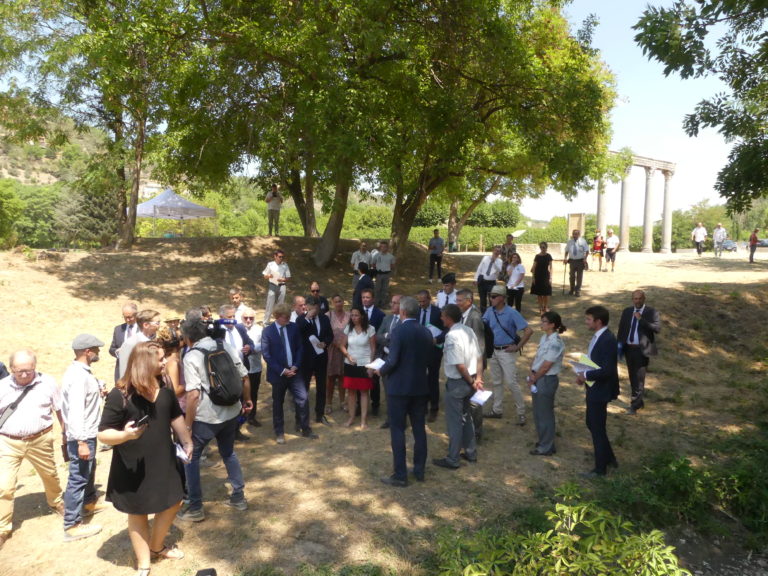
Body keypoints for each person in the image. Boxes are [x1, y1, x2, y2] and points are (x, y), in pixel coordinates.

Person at [98, 341, 192, 574]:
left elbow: (174, 416)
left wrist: (187, 441)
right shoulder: (120, 395)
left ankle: (156, 546)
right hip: (133, 465)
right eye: (160, 359)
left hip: (164, 460)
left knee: (175, 501)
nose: (165, 362)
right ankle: (144, 563)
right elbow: (103, 434)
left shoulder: (165, 388)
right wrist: (125, 435)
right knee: (138, 511)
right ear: (145, 362)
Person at [177, 310, 252, 521]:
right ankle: (238, 497)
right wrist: (247, 400)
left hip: (207, 417)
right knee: (228, 453)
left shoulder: (191, 356)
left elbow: (193, 395)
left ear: (188, 337)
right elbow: (244, 376)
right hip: (231, 411)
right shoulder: (223, 345)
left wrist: (188, 426)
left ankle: (195, 507)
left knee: (191, 458)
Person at [0, 350, 65, 550]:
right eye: (19, 371)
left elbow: (59, 409)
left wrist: (65, 432)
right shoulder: (2, 387)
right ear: (11, 369)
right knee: (4, 486)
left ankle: (56, 502)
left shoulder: (48, 383)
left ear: (35, 367)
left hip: (40, 439)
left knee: (49, 474)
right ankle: (2, 529)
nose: (24, 375)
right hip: (8, 441)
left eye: (29, 371)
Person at [377, 296, 433, 486]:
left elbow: (392, 360)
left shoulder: (399, 331)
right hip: (420, 386)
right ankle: (419, 470)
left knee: (398, 430)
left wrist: (380, 370)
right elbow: (429, 359)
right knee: (419, 429)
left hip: (399, 388)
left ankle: (400, 474)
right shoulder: (426, 331)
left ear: (402, 311)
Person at [62, 334, 108, 542]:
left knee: (88, 470)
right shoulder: (78, 376)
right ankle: (71, 525)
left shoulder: (82, 373)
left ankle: (89, 503)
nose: (98, 352)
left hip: (88, 433)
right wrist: (80, 442)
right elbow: (75, 411)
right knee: (78, 478)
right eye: (96, 349)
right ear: (87, 351)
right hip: (82, 435)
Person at [432, 304, 483, 470]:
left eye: (442, 316)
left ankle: (453, 458)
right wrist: (478, 379)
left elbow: (459, 365)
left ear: (448, 318)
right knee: (466, 417)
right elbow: (479, 356)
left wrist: (471, 381)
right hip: (471, 379)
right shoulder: (469, 331)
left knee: (454, 422)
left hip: (459, 383)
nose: (441, 318)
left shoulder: (452, 336)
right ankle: (471, 452)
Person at [261, 303, 318, 444]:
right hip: (278, 374)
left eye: (288, 316)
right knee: (278, 403)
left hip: (295, 372)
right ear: (277, 316)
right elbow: (267, 355)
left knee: (303, 398)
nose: (287, 319)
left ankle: (305, 428)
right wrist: (282, 370)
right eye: (285, 317)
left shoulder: (293, 327)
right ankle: (279, 432)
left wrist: (296, 365)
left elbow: (300, 348)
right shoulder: (268, 331)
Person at [575, 305, 619, 477]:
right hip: (594, 387)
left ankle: (600, 468)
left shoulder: (607, 340)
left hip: (600, 389)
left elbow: (608, 370)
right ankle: (609, 457)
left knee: (596, 426)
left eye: (588, 319)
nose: (586, 322)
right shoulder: (599, 337)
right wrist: (583, 374)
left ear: (598, 321)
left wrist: (586, 375)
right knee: (593, 423)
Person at [482, 284, 533, 424]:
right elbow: (482, 327)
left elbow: (528, 331)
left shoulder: (512, 313)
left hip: (506, 351)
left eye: (493, 296)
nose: (490, 299)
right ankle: (497, 410)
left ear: (502, 298)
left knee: (511, 382)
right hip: (493, 351)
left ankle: (521, 412)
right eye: (490, 296)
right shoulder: (489, 311)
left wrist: (518, 346)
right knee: (496, 382)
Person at [527, 312, 566, 457]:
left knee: (545, 414)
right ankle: (545, 442)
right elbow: (538, 358)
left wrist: (534, 378)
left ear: (552, 325)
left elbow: (546, 366)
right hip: (538, 377)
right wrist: (531, 372)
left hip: (546, 380)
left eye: (544, 321)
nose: (541, 323)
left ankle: (546, 447)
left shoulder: (555, 342)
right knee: (538, 413)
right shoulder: (544, 337)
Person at [616, 290, 661, 415]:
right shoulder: (627, 311)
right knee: (632, 376)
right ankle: (638, 402)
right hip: (628, 349)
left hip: (641, 350)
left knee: (639, 378)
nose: (637, 301)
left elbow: (657, 329)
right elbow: (621, 329)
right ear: (632, 299)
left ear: (644, 298)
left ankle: (634, 406)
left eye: (640, 298)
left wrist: (641, 320)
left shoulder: (651, 312)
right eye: (635, 298)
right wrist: (619, 346)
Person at [455, 289, 485, 441]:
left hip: (473, 367)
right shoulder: (463, 315)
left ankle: (476, 432)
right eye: (456, 300)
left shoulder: (474, 318)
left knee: (474, 400)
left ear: (469, 301)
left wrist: (478, 375)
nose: (457, 303)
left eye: (460, 300)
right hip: (466, 365)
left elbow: (480, 347)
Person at [298, 296, 334, 425]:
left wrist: (325, 343)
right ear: (307, 307)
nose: (314, 310)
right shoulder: (301, 319)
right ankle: (302, 417)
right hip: (306, 359)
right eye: (312, 307)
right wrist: (308, 317)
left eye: (316, 308)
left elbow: (330, 335)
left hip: (321, 358)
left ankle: (320, 414)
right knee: (304, 388)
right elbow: (299, 332)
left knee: (321, 387)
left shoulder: (324, 318)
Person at [339, 307, 376, 429]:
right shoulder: (348, 328)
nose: (354, 318)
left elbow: (373, 349)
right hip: (350, 365)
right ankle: (351, 417)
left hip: (364, 364)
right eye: (352, 315)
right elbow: (342, 345)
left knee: (364, 392)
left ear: (362, 316)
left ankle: (363, 420)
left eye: (356, 315)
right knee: (351, 392)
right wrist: (348, 355)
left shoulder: (370, 329)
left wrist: (371, 366)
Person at [417, 289, 444, 422]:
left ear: (429, 299)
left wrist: (437, 340)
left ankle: (434, 407)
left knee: (433, 379)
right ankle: (422, 406)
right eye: (419, 302)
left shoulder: (437, 312)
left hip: (433, 350)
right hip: (419, 351)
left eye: (423, 301)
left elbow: (446, 329)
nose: (421, 304)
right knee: (420, 378)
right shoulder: (416, 311)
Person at [375, 294, 402, 429]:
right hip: (385, 359)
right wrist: (388, 337)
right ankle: (389, 419)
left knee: (399, 392)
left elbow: (399, 340)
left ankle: (400, 420)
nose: (392, 305)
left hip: (399, 361)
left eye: (395, 303)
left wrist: (387, 337)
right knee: (387, 390)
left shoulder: (404, 321)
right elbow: (378, 336)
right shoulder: (387, 319)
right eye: (392, 302)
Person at [117, 309, 162, 380]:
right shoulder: (131, 343)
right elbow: (125, 369)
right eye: (157, 323)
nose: (159, 326)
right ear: (146, 325)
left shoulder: (152, 340)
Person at [326, 295, 350, 414]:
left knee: (342, 377)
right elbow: (324, 332)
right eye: (336, 302)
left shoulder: (349, 315)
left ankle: (342, 402)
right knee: (330, 378)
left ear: (343, 302)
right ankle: (328, 403)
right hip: (332, 351)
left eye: (340, 301)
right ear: (332, 303)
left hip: (345, 350)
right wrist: (333, 342)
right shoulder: (328, 315)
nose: (338, 304)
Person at [241, 308, 264, 427]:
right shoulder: (237, 329)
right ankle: (240, 417)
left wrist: (252, 348)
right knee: (240, 394)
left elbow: (265, 344)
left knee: (253, 393)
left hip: (255, 367)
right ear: (242, 318)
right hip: (240, 368)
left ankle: (251, 416)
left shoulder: (259, 329)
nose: (248, 320)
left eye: (251, 318)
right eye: (246, 318)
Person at [109, 302, 139, 382]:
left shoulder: (144, 328)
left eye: (130, 317)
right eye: (125, 317)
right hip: (121, 372)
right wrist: (118, 352)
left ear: (136, 315)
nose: (127, 320)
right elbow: (112, 349)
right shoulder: (118, 329)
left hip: (139, 371)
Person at [262, 249, 290, 325]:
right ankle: (266, 322)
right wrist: (269, 276)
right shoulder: (270, 264)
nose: (281, 258)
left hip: (282, 286)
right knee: (270, 304)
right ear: (275, 256)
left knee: (280, 305)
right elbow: (265, 275)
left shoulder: (285, 265)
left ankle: (279, 322)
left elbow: (288, 277)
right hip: (272, 285)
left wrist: (282, 279)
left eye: (282, 257)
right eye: (279, 256)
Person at [474, 247, 503, 312]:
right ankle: (483, 313)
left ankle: (491, 313)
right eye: (496, 250)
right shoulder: (485, 258)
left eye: (498, 251)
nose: (496, 252)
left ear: (500, 253)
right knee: (482, 299)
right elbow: (479, 268)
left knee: (492, 299)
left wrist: (494, 261)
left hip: (491, 283)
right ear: (493, 250)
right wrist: (476, 279)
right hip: (482, 281)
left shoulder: (500, 261)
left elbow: (499, 270)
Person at [530, 242, 553, 315]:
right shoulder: (537, 256)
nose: (543, 249)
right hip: (538, 276)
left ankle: (545, 307)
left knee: (546, 293)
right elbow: (534, 267)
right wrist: (533, 277)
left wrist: (550, 278)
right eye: (541, 247)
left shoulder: (549, 256)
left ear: (546, 247)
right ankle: (540, 308)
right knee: (539, 294)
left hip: (546, 276)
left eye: (544, 247)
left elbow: (551, 267)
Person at [563, 229, 589, 296]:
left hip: (580, 261)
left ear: (579, 234)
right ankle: (572, 290)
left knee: (579, 277)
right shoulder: (569, 242)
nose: (575, 235)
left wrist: (585, 258)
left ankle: (577, 291)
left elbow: (587, 251)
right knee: (571, 276)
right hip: (572, 261)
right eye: (574, 234)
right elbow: (566, 251)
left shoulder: (583, 241)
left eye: (576, 234)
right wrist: (565, 258)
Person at [372, 240, 395, 308]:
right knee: (377, 289)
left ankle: (383, 304)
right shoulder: (376, 255)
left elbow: (392, 265)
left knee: (385, 289)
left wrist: (387, 270)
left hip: (386, 274)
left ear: (387, 248)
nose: (383, 248)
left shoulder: (390, 256)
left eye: (385, 247)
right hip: (379, 274)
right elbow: (373, 264)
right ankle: (376, 304)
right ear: (380, 247)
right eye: (382, 247)